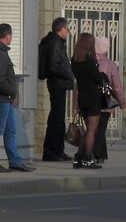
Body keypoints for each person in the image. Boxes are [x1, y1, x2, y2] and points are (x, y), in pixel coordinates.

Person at [0, 23, 35, 172]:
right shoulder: (1, 53)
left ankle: (14, 161)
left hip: (6, 99)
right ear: (7, 36)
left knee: (11, 131)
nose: (12, 37)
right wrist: (12, 92)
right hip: (3, 99)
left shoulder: (4, 52)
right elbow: (0, 79)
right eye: (12, 34)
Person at [38, 17, 74, 161]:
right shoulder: (54, 43)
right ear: (61, 29)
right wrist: (69, 75)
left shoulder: (57, 42)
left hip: (59, 84)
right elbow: (54, 65)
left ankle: (59, 150)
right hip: (57, 84)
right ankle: (51, 151)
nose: (68, 31)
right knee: (56, 119)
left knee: (59, 119)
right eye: (66, 28)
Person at [70, 32, 105, 169]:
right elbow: (98, 79)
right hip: (93, 98)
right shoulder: (89, 62)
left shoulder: (74, 60)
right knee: (92, 130)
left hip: (82, 97)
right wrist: (101, 75)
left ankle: (78, 157)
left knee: (87, 130)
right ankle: (88, 158)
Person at [92, 36, 126, 162]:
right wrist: (123, 104)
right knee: (100, 129)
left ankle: (102, 154)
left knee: (95, 128)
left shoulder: (89, 62)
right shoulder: (110, 64)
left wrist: (76, 105)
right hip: (105, 101)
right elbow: (117, 86)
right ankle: (95, 154)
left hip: (92, 100)